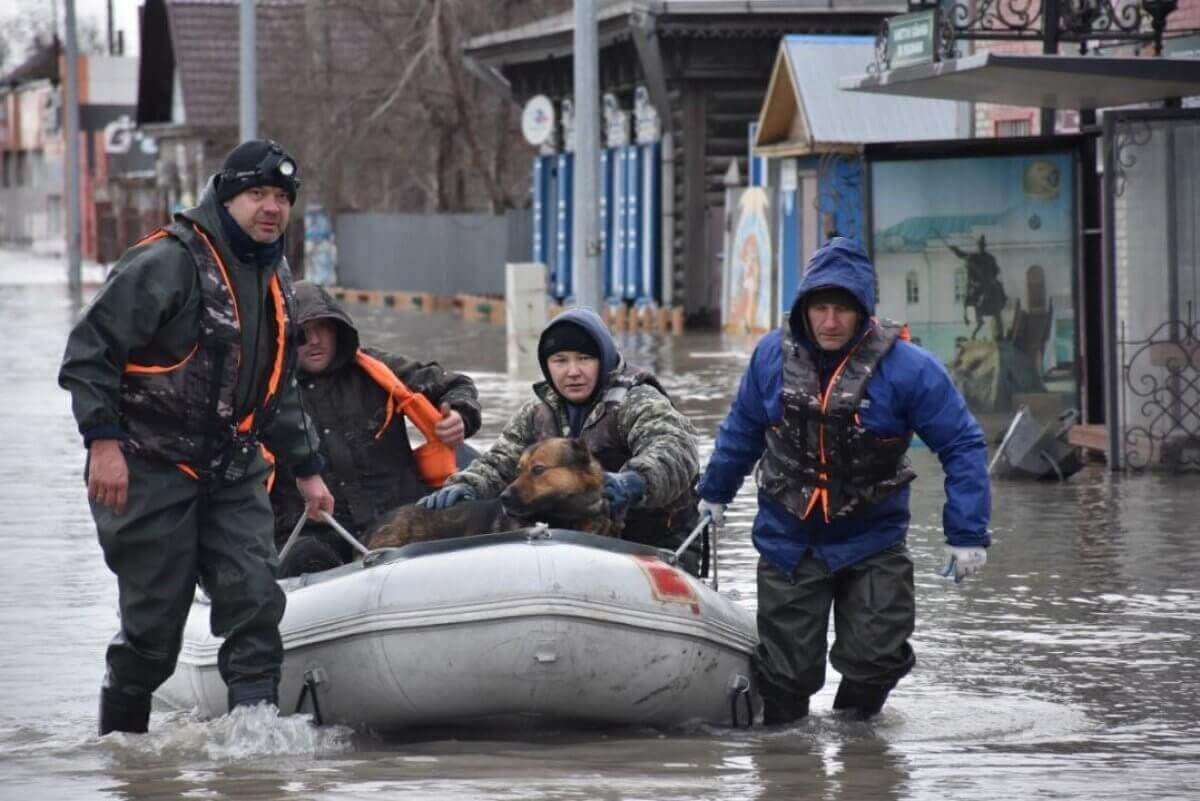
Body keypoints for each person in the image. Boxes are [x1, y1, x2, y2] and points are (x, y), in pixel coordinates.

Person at [59, 139, 335, 735]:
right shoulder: (167, 262)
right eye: (257, 194)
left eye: (282, 197)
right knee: (154, 631)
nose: (271, 208)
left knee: (256, 602)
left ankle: (254, 753)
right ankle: (122, 747)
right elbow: (89, 354)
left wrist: (308, 470)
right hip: (150, 465)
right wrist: (102, 446)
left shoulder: (275, 273)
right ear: (226, 196)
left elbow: (277, 386)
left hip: (233, 468)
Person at [696, 237, 990, 723]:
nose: (830, 322)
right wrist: (713, 494)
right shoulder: (771, 357)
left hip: (872, 536)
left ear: (864, 313)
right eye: (821, 309)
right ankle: (790, 766)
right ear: (804, 311)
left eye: (842, 311)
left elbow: (962, 444)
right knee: (786, 673)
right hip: (789, 537)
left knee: (877, 657)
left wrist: (967, 534)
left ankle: (858, 750)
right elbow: (742, 429)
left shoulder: (909, 369)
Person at [418, 308, 703, 570]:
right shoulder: (537, 412)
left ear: (603, 359)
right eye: (560, 360)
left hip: (652, 548)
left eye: (585, 358)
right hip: (572, 547)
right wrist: (466, 486)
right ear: (547, 365)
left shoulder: (637, 401)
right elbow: (501, 461)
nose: (573, 371)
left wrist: (633, 483)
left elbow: (676, 448)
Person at [270, 281, 482, 573]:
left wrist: (460, 415)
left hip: (399, 517)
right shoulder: (265, 392)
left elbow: (454, 384)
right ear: (286, 336)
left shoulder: (377, 368)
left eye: (324, 328)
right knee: (303, 558)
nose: (316, 340)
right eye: (304, 332)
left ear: (339, 330)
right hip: (317, 531)